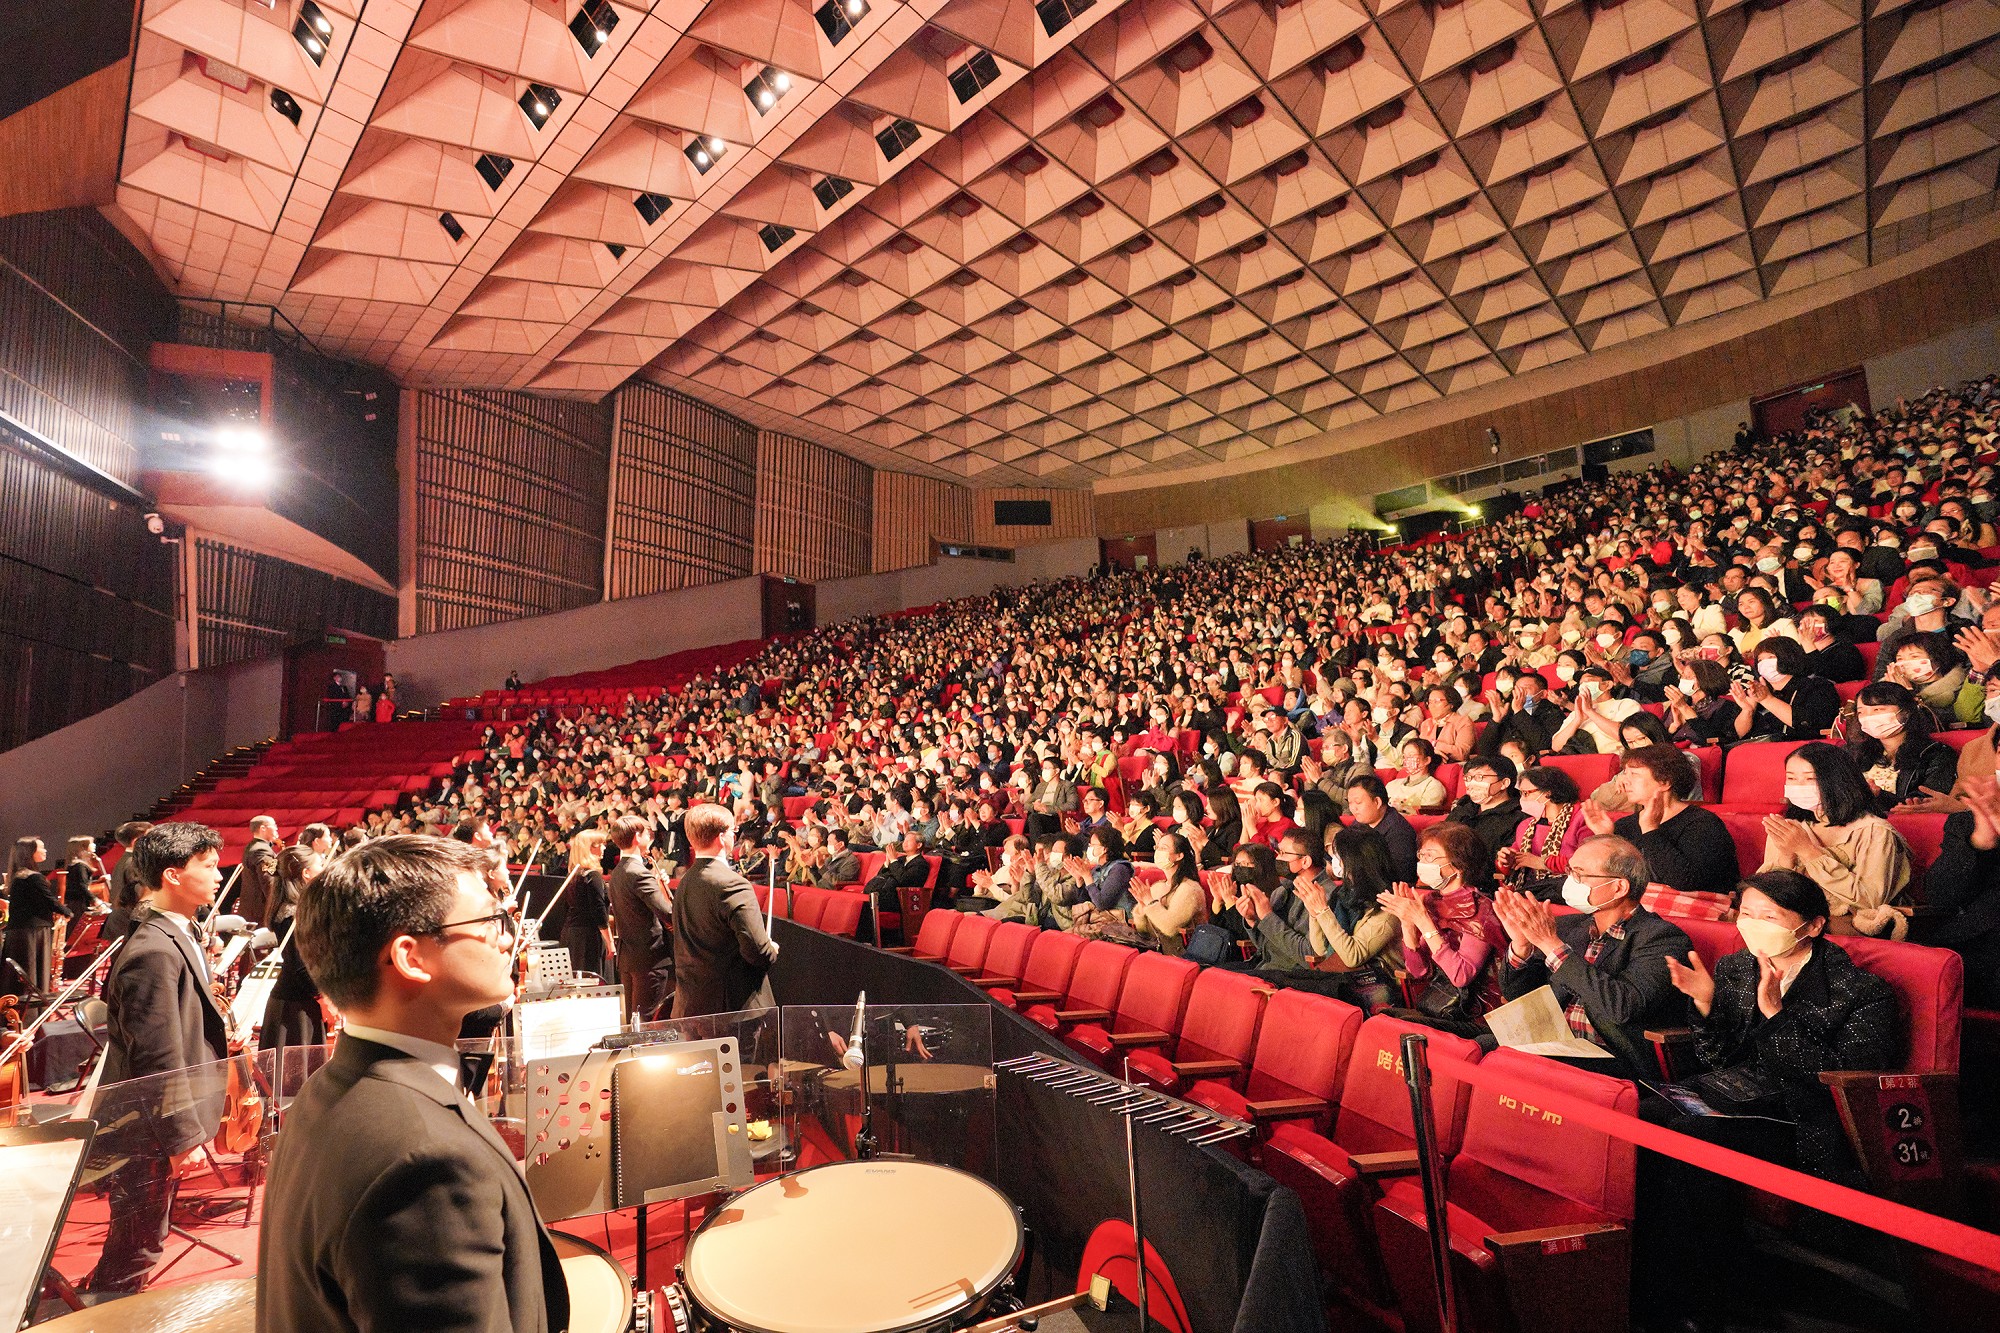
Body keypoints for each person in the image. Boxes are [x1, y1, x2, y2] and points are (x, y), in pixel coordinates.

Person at [261, 835, 568, 1333]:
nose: (507, 938)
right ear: (411, 957)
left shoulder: (329, 1089)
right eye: (490, 922)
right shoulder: (427, 1166)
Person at [1659, 869, 1899, 1181]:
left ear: (1813, 925)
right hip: (1741, 1095)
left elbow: (1841, 1080)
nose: (1754, 925)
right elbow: (1718, 1060)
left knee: (1690, 1133)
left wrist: (1776, 1015)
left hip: (1804, 1116)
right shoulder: (1736, 967)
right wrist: (1706, 1003)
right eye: (1746, 914)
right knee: (1646, 1113)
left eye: (1769, 917)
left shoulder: (1860, 990)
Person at [88, 822, 229, 1295]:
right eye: (207, 866)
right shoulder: (153, 950)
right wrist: (180, 1137)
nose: (217, 874)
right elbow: (158, 1059)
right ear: (172, 875)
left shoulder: (177, 934)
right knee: (135, 1251)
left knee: (142, 1242)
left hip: (156, 1123)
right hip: (148, 1127)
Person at [1494, 834, 1691, 1080]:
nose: (1569, 881)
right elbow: (1518, 997)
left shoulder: (1662, 938)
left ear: (1619, 887)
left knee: (1506, 1060)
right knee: (1473, 1045)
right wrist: (1521, 948)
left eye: (1580, 874)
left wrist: (1550, 944)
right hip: (1555, 1040)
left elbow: (1621, 1007)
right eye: (1570, 872)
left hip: (1616, 1057)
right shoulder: (1569, 927)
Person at [1757, 742, 1911, 936]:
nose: (1798, 787)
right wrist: (1787, 857)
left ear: (1836, 781)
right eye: (1791, 778)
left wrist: (1807, 851)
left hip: (1847, 923)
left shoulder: (1874, 831)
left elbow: (1870, 900)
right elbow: (1769, 894)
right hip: (1797, 917)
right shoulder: (1791, 826)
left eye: (1809, 779)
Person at [1378, 823, 1503, 1032]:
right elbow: (1419, 971)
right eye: (1422, 855)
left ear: (1458, 865)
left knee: (1394, 1025)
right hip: (1439, 1004)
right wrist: (1408, 924)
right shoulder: (1431, 901)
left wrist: (1424, 922)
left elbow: (1461, 976)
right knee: (1382, 1019)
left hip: (1478, 1014)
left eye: (1430, 856)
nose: (1422, 862)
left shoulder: (1481, 909)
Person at [671, 804, 780, 1018]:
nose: (735, 836)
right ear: (722, 838)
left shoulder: (685, 881)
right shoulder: (732, 884)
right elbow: (757, 952)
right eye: (733, 831)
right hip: (730, 1008)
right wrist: (771, 949)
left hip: (690, 1003)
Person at [1585, 745, 1738, 898]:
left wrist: (1651, 831)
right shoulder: (1625, 825)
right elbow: (1610, 881)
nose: (1625, 780)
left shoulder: (1703, 824)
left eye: (1634, 774)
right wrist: (1605, 836)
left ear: (1665, 782)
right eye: (1625, 773)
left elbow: (1685, 882)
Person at [1845, 681, 1957, 813]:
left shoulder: (1936, 754)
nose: (1868, 717)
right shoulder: (1850, 753)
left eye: (1877, 710)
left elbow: (1924, 801)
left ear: (1906, 712)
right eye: (1861, 712)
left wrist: (1879, 796)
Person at [259, 847, 328, 1052]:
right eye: (320, 865)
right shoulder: (291, 914)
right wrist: (323, 997)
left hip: (297, 1001)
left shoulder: (297, 908)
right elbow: (300, 965)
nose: (324, 869)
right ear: (306, 873)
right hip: (295, 1008)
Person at [608, 815, 673, 1020]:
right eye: (648, 834)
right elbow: (668, 913)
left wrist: (659, 886)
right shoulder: (639, 873)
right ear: (637, 836)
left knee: (634, 1019)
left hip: (629, 957)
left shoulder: (619, 871)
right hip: (650, 958)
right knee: (647, 1022)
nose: (651, 839)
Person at [1496, 765, 1590, 896]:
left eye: (1526, 793)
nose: (1522, 799)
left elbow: (1588, 863)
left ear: (1547, 792)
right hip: (1531, 887)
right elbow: (1515, 859)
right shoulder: (1526, 825)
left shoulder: (1581, 817)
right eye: (1521, 794)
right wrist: (1506, 860)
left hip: (1571, 886)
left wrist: (1541, 862)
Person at [4, 837, 70, 995]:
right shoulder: (33, 877)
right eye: (41, 847)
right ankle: (34, 1012)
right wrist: (67, 912)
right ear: (30, 853)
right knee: (32, 973)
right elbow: (50, 901)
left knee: (21, 975)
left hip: (20, 933)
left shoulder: (19, 875)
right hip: (33, 933)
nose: (45, 850)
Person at [1128, 831, 1207, 954]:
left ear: (1179, 856)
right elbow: (1143, 930)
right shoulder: (1158, 886)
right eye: (1157, 847)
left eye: (1164, 848)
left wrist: (1150, 902)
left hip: (1183, 954)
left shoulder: (1190, 888)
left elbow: (1170, 928)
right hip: (1157, 950)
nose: (1158, 852)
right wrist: (1142, 908)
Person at [1444, 754, 1528, 863]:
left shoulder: (1518, 817)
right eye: (1468, 778)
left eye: (1479, 777)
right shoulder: (1463, 808)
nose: (1472, 783)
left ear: (1504, 783)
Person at [559, 829, 614, 981]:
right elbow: (599, 911)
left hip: (571, 934)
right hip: (588, 937)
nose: (604, 848)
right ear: (589, 848)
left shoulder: (573, 875)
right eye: (600, 845)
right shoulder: (592, 875)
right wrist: (610, 943)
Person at [1346, 774, 1418, 883]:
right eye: (1350, 803)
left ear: (1377, 802)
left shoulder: (1399, 832)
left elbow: (1400, 876)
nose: (1353, 808)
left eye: (1358, 802)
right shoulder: (1361, 821)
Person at [104, 820, 152, 941]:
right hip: (126, 924)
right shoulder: (133, 863)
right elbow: (139, 895)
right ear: (136, 841)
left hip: (121, 922)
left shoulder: (125, 860)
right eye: (150, 837)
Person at [1386, 738, 1449, 813]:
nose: (1406, 760)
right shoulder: (1392, 785)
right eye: (1404, 756)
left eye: (1411, 756)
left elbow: (1423, 817)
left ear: (1426, 760)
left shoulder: (1432, 786)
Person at [240, 815, 280, 925]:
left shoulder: (253, 846)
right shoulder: (261, 850)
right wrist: (277, 906)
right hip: (260, 911)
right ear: (263, 828)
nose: (277, 829)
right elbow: (269, 879)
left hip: (253, 909)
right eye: (274, 825)